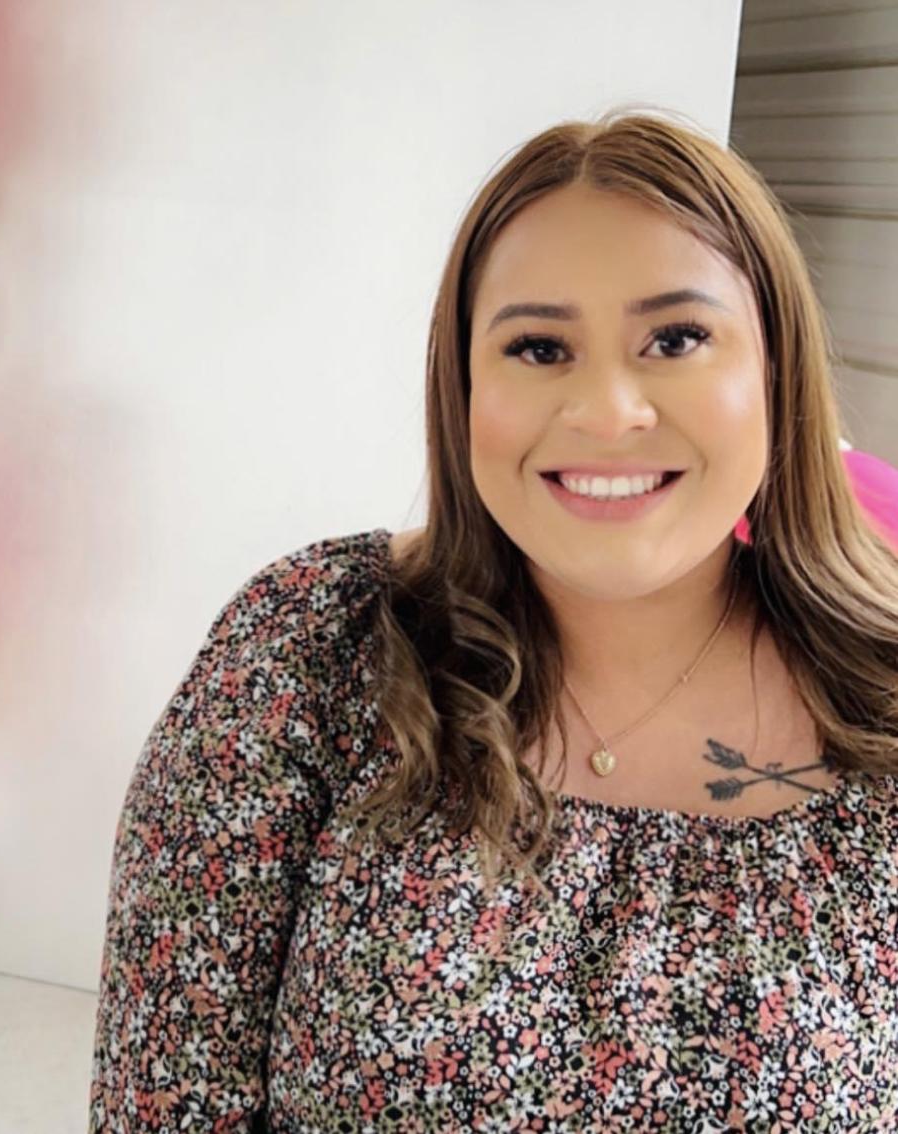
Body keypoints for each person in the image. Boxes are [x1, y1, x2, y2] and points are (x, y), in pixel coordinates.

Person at [88, 107, 898, 1132]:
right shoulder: (307, 647)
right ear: (464, 386)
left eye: (677, 339)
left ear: (777, 370)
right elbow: (164, 1096)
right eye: (539, 347)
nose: (607, 410)